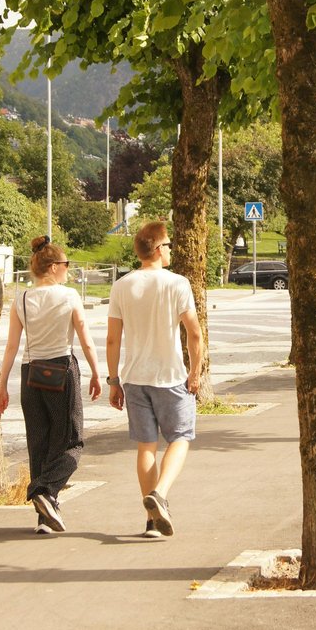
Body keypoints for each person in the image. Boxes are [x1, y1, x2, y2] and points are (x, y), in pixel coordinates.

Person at [0, 235, 102, 534]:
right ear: (53, 267)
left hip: (31, 374)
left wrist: (2, 386)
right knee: (71, 441)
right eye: (66, 264)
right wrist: (97, 373)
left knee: (39, 444)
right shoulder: (68, 296)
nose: (68, 269)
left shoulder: (22, 299)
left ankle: (45, 516)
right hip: (61, 370)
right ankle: (45, 489)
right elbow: (85, 340)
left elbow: (12, 346)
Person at [106, 221, 202, 539]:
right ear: (159, 249)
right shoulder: (177, 284)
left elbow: (112, 340)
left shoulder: (122, 285)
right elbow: (194, 334)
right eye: (169, 244)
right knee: (180, 438)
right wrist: (195, 373)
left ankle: (151, 522)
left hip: (134, 377)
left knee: (146, 447)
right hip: (170, 376)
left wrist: (114, 380)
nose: (171, 249)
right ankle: (160, 494)